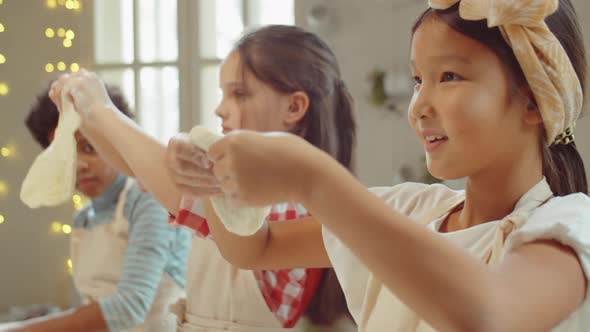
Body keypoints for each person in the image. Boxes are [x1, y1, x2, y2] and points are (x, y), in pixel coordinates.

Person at [173, 0, 590, 331]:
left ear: (535, 99)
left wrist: (312, 177)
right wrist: (211, 174)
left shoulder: (570, 226)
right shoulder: (411, 209)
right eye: (416, 81)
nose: (419, 107)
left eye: (449, 77)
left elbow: (490, 318)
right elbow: (254, 248)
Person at [48, 25, 354, 331]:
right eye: (223, 93)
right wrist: (86, 117)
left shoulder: (289, 199)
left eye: (239, 93)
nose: (220, 109)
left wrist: (100, 109)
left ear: (294, 107)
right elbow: (136, 166)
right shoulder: (244, 188)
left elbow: (177, 187)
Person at [7, 84, 191, 332]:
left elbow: (129, 307)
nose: (79, 165)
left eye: (88, 148)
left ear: (116, 142)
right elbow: (93, 305)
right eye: (66, 155)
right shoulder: (83, 218)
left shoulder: (148, 200)